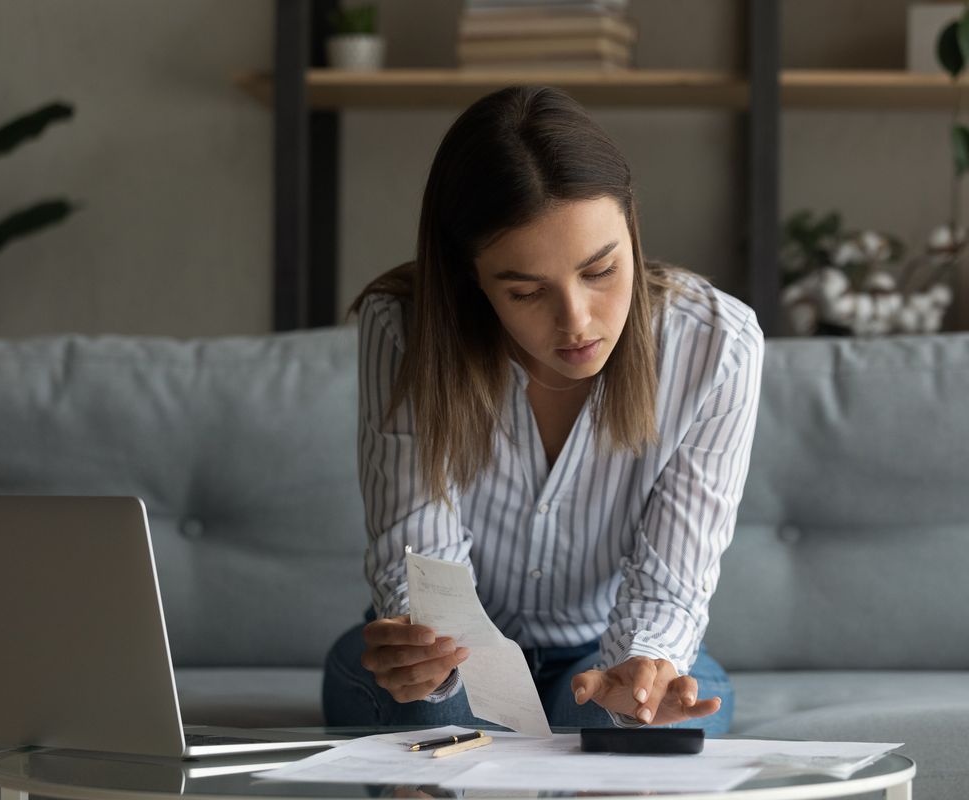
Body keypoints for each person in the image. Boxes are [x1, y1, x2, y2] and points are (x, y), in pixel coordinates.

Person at [322, 85, 763, 734]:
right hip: (459, 652)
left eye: (601, 270)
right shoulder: (405, 329)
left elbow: (670, 588)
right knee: (424, 706)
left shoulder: (716, 346)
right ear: (472, 278)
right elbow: (422, 571)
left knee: (643, 724)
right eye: (526, 291)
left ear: (631, 229)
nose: (577, 322)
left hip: (606, 642)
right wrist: (428, 659)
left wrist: (641, 672)